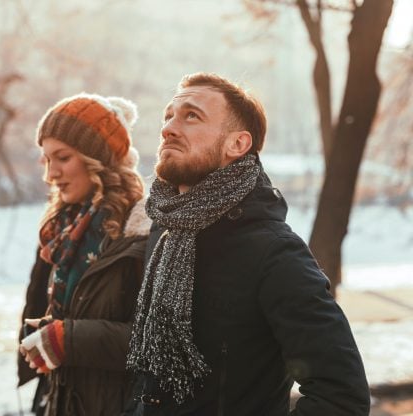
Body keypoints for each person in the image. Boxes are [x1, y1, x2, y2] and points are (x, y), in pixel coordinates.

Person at [125, 73, 370, 415]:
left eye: (191, 116)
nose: (168, 128)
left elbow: (342, 395)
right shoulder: (164, 234)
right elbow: (147, 375)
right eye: (168, 116)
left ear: (237, 144)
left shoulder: (273, 252)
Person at [18, 93, 151, 416]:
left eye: (62, 158)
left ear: (98, 159)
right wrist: (45, 333)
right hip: (61, 399)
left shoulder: (141, 232)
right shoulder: (58, 230)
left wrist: (68, 338)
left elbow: (154, 341)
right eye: (46, 160)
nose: (51, 174)